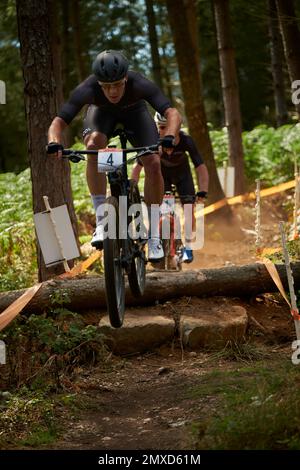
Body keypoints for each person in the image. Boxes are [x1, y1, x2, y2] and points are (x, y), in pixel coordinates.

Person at [46, 50, 181, 262]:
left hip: (135, 115)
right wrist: (54, 141)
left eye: (117, 84)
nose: (113, 91)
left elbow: (173, 113)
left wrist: (170, 136)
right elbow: (58, 122)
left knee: (153, 162)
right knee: (93, 145)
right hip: (102, 115)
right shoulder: (88, 88)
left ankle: (154, 234)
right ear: (98, 83)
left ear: (126, 78)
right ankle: (101, 221)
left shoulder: (139, 84)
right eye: (106, 86)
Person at [131, 112, 209, 263]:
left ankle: (188, 246)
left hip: (183, 176)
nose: (165, 132)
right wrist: (132, 189)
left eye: (169, 128)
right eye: (161, 128)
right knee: (160, 208)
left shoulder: (186, 141)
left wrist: (203, 190)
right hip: (163, 176)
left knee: (188, 207)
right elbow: (137, 168)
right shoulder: (152, 141)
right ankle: (159, 240)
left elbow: (200, 167)